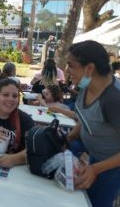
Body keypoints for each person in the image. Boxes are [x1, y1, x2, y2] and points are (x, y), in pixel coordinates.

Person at [65, 40, 120, 207]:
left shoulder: (113, 100)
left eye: (71, 65)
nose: (67, 71)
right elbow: (85, 119)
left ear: (89, 68)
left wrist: (96, 169)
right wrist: (67, 139)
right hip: (92, 157)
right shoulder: (86, 85)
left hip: (111, 167)